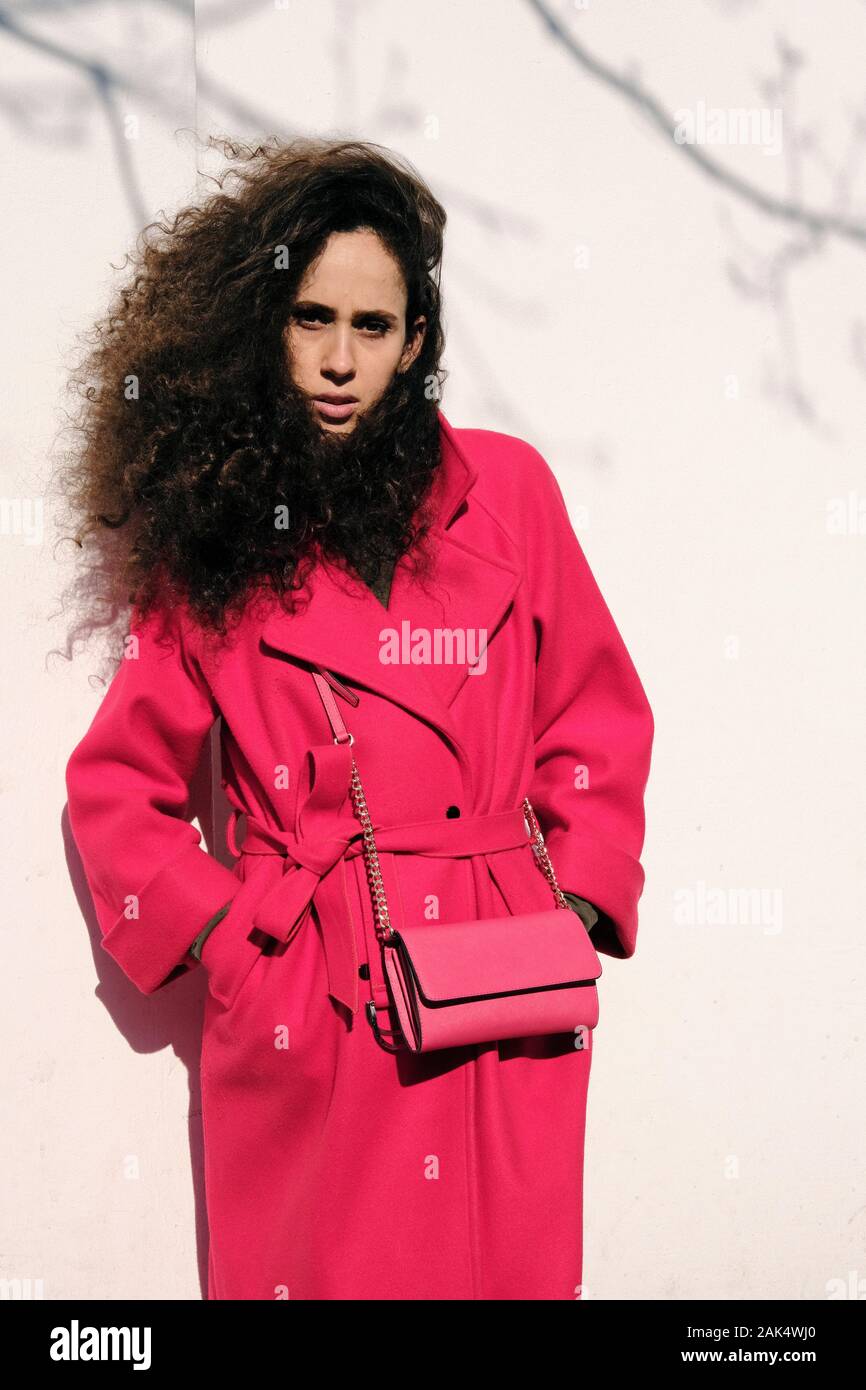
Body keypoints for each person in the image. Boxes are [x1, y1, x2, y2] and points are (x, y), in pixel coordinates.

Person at [62, 135, 654, 1300]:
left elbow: (594, 711)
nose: (338, 360)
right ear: (266, 328)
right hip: (319, 1001)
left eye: (371, 327)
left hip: (499, 993)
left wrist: (573, 898)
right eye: (311, 318)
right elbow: (115, 790)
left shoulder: (510, 495)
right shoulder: (218, 543)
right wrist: (241, 949)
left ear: (417, 342)